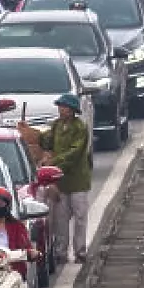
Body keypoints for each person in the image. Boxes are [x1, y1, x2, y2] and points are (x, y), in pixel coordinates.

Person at [33, 92, 92, 264]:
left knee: (80, 217)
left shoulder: (80, 128)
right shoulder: (57, 125)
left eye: (64, 107)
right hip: (60, 182)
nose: (61, 110)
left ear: (72, 110)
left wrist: (54, 161)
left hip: (77, 181)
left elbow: (75, 152)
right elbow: (46, 141)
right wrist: (31, 133)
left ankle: (80, 251)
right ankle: (61, 252)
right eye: (60, 106)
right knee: (60, 219)